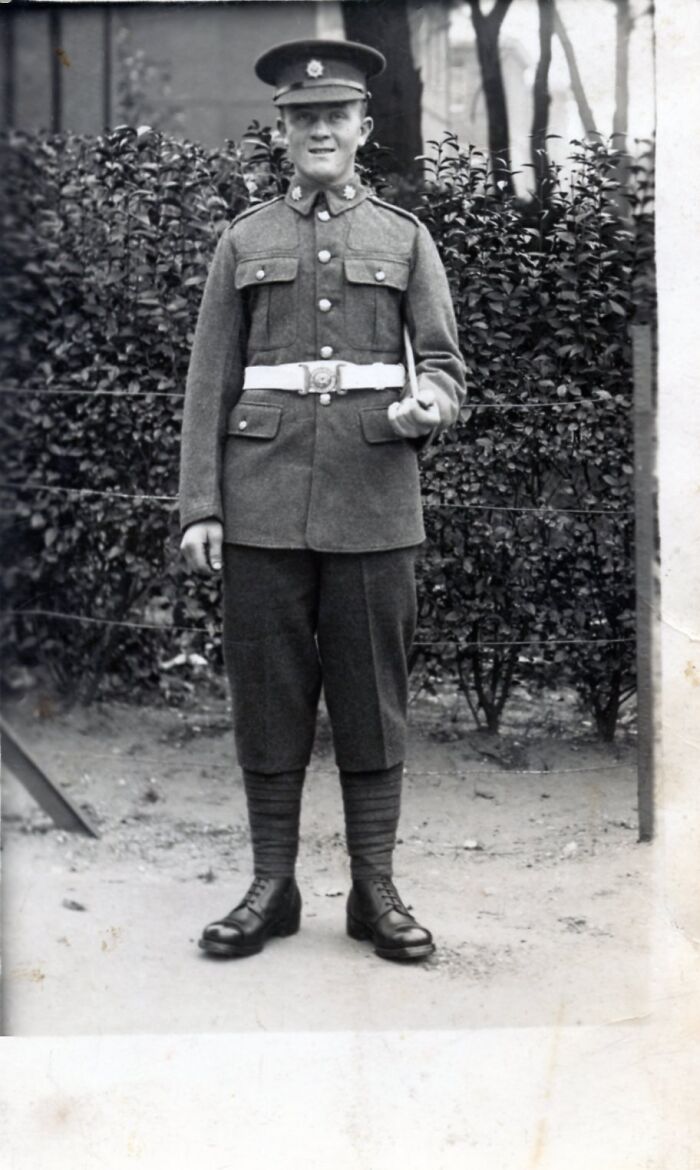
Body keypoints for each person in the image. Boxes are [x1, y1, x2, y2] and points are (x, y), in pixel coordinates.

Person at [179, 38, 466, 962]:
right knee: (267, 695)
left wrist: (434, 403)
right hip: (260, 502)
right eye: (303, 118)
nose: (319, 130)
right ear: (282, 130)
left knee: (371, 696)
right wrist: (200, 507)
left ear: (363, 129)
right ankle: (273, 885)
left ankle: (373, 890)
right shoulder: (244, 240)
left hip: (377, 498)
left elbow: (449, 365)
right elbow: (207, 385)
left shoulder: (405, 238)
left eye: (334, 117)